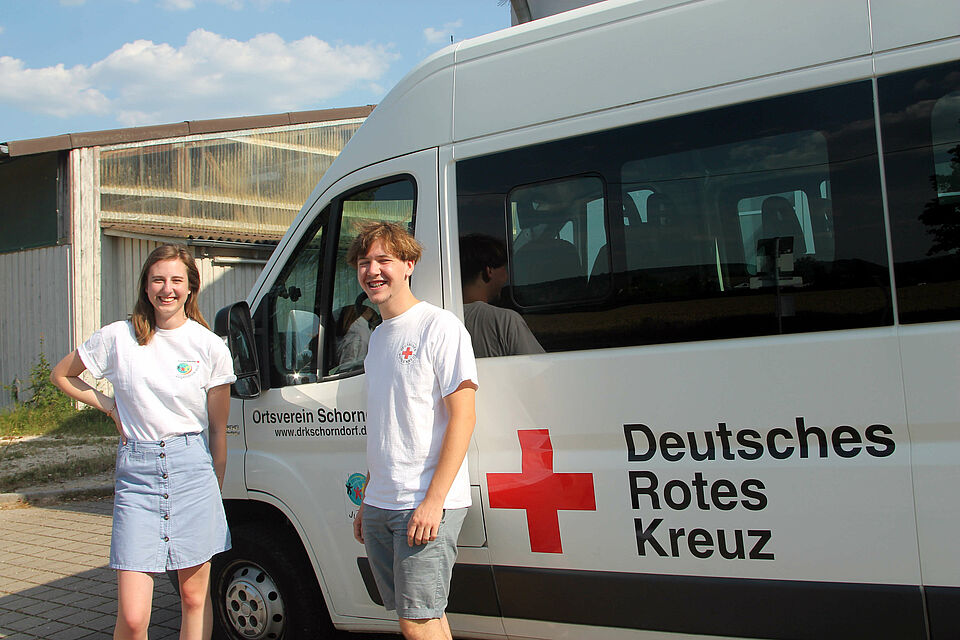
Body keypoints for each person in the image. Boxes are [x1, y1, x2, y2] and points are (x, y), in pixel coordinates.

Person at [50, 244, 235, 640]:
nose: (167, 289)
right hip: (138, 478)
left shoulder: (209, 346)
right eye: (158, 280)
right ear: (146, 286)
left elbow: (218, 431)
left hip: (193, 473)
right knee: (134, 617)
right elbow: (62, 374)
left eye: (176, 280)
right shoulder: (118, 337)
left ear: (190, 287)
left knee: (193, 597)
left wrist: (214, 490)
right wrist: (109, 406)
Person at [349, 222, 478, 640]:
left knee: (416, 621)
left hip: (423, 501)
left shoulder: (439, 326)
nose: (372, 270)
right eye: (364, 262)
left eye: (383, 260)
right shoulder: (377, 338)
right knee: (426, 618)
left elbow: (463, 417)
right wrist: (370, 497)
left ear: (409, 264)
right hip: (383, 500)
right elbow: (387, 425)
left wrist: (433, 502)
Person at [459, 233, 544, 357]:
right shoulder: (505, 321)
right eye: (505, 269)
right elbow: (538, 365)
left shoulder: (441, 320)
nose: (506, 277)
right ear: (489, 271)